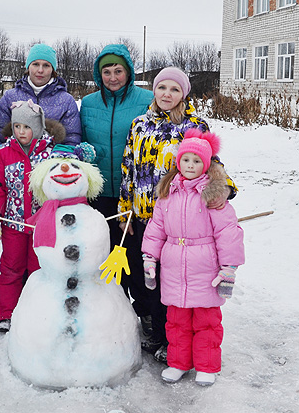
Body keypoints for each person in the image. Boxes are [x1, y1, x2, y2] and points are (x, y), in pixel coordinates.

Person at [118, 67, 237, 362]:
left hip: (181, 222)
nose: (167, 94)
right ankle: (159, 334)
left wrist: (224, 190)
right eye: (162, 88)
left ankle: (176, 344)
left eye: (174, 89)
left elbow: (214, 164)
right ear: (154, 91)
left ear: (183, 93)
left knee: (175, 286)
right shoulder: (139, 125)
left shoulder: (195, 126)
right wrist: (124, 211)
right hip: (146, 217)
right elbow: (128, 168)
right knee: (149, 282)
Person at [141, 129, 245, 386]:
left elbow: (228, 232)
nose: (190, 165)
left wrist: (229, 268)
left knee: (206, 322)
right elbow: (156, 229)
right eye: (186, 160)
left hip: (205, 268)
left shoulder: (214, 196)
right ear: (178, 162)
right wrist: (149, 258)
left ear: (206, 164)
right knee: (176, 322)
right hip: (174, 267)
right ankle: (178, 363)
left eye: (197, 161)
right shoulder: (168, 193)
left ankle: (206, 366)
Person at [79, 44, 154, 335]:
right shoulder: (88, 103)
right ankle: (112, 317)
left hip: (135, 194)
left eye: (118, 71)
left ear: (129, 72)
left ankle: (145, 313)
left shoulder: (147, 99)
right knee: (105, 256)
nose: (112, 77)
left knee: (135, 257)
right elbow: (80, 142)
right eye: (106, 71)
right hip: (99, 192)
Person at [0, 100, 65, 333]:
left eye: (27, 127)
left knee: (38, 270)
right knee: (11, 268)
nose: (21, 132)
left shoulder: (51, 154)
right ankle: (7, 313)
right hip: (13, 224)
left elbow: (58, 188)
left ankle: (36, 311)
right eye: (17, 126)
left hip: (41, 226)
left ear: (38, 128)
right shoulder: (4, 152)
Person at [0, 43, 81, 194]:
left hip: (49, 180)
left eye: (46, 65)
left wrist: (63, 170)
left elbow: (72, 140)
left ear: (53, 70)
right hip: (13, 178)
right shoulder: (11, 96)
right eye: (35, 64)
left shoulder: (66, 100)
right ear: (28, 67)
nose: (40, 70)